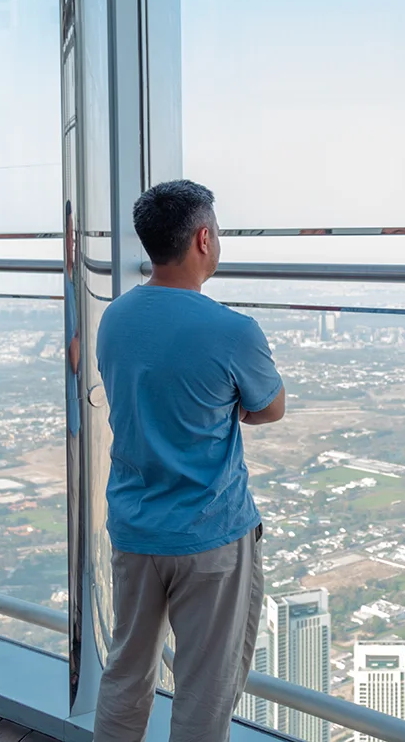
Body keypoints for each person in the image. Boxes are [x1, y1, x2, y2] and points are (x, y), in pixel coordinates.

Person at [92, 179, 286, 742]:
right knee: (205, 690)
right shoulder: (232, 331)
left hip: (135, 527)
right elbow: (270, 408)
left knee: (126, 672)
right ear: (203, 238)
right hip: (210, 536)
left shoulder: (116, 317)